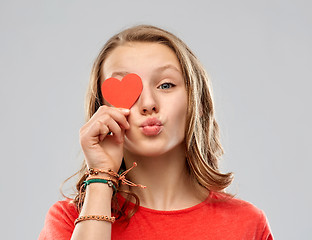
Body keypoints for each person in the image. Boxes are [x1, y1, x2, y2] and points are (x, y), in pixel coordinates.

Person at [38, 25, 273, 240]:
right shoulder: (69, 221)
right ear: (103, 111)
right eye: (130, 89)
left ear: (197, 102)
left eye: (166, 85)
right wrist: (100, 176)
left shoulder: (247, 224)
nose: (148, 103)